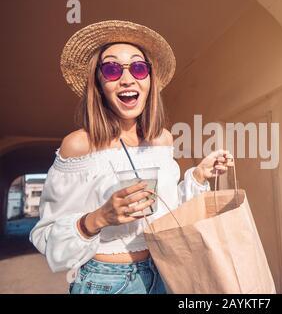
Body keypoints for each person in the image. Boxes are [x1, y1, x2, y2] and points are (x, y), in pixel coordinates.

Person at [29, 20, 233, 294]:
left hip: (164, 274)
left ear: (149, 81)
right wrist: (99, 218)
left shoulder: (162, 139)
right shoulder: (78, 145)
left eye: (138, 68)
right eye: (112, 69)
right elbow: (47, 238)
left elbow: (168, 215)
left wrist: (198, 176)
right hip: (105, 281)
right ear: (99, 84)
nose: (127, 79)